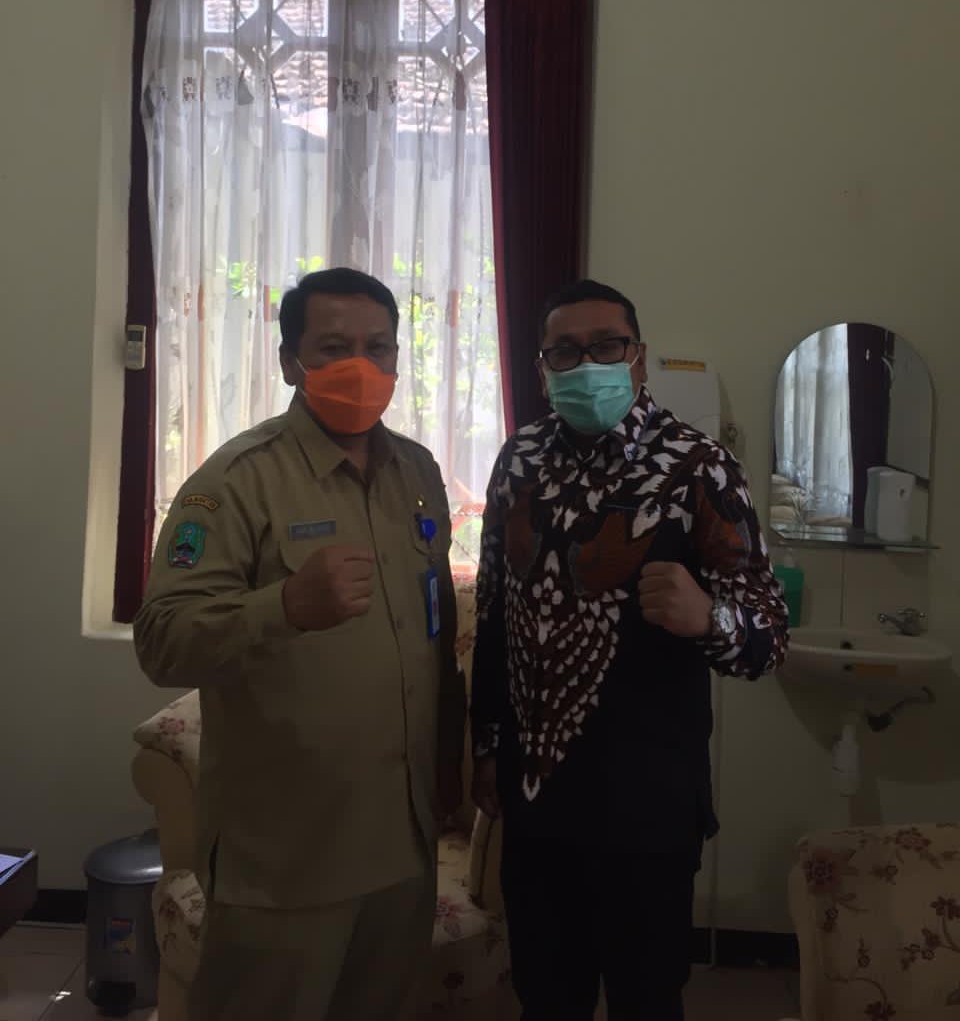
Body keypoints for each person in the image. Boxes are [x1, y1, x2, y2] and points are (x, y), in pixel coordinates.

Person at [135, 268, 465, 1021]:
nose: (361, 366)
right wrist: (281, 606)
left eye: (378, 348)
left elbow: (433, 633)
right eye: (334, 347)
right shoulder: (236, 481)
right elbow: (160, 641)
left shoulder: (416, 472)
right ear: (291, 361)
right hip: (286, 857)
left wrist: (450, 764)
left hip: (403, 843)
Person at [470, 280, 789, 1021]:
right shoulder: (519, 460)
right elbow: (494, 613)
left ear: (638, 358)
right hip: (537, 797)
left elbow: (769, 637)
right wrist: (486, 745)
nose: (587, 364)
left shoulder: (698, 466)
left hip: (646, 806)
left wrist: (707, 617)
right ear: (542, 367)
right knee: (546, 996)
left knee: (646, 998)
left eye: (606, 346)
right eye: (565, 351)